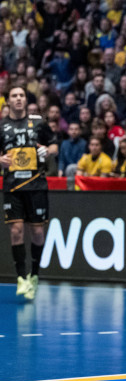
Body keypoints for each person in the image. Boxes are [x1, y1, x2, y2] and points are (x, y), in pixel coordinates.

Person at [2, 85, 58, 301]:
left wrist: (47, 151)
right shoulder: (2, 126)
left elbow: (54, 146)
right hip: (13, 187)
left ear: (26, 100)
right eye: (14, 95)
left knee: (37, 233)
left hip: (36, 186)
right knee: (16, 232)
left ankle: (34, 275)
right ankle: (21, 278)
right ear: (8, 101)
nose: (18, 99)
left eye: (21, 95)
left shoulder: (38, 122)